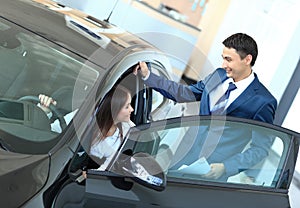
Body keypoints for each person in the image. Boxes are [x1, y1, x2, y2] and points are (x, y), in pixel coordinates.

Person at [133, 33, 277, 181]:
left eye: (229, 60)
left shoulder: (264, 102)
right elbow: (184, 93)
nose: (223, 65)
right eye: (223, 58)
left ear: (247, 59)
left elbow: (260, 149)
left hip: (212, 174)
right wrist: (148, 76)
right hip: (182, 158)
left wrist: (226, 167)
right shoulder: (218, 75)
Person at [89, 85, 135, 171]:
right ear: (114, 109)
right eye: (127, 106)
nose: (131, 109)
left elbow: (103, 170)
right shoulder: (88, 121)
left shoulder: (124, 134)